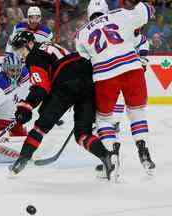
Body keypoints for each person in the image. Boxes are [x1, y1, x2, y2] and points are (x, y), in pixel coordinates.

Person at [8, 31, 118, 180]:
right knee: (82, 134)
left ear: (30, 45)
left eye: (21, 49)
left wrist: (26, 107)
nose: (20, 54)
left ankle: (21, 160)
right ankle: (107, 157)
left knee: (40, 127)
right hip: (87, 80)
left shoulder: (33, 56)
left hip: (66, 83)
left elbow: (41, 87)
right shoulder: (50, 46)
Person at [75, 0, 156, 175]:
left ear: (89, 14)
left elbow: (85, 63)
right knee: (137, 114)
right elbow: (146, 12)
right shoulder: (119, 14)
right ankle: (143, 149)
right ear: (106, 10)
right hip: (132, 68)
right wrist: (147, 6)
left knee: (103, 120)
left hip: (104, 75)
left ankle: (111, 157)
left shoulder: (80, 34)